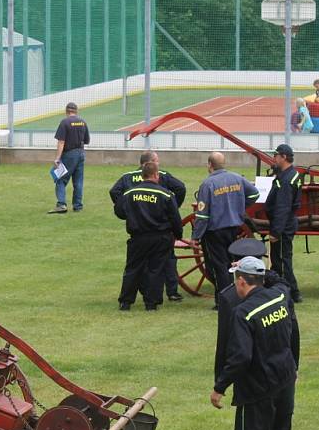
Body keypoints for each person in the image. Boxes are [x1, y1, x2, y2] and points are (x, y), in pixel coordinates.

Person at [210, 256, 319, 430]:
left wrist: (220, 387)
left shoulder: (243, 313)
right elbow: (282, 288)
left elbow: (240, 358)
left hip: (258, 388)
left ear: (240, 281)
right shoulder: (280, 296)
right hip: (285, 379)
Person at [109, 150, 186, 301]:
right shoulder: (162, 177)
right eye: (156, 160)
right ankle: (168, 293)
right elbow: (180, 188)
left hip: (138, 230)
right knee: (164, 262)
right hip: (160, 230)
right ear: (150, 165)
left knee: (133, 267)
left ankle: (127, 301)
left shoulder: (128, 178)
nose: (158, 163)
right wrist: (173, 209)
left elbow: (114, 192)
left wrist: (128, 211)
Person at [192, 152, 260, 309]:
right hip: (234, 229)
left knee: (217, 267)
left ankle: (223, 301)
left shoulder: (207, 184)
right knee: (230, 264)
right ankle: (234, 296)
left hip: (214, 232)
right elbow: (255, 193)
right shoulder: (237, 178)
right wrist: (240, 206)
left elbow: (202, 215)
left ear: (210, 164)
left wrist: (196, 237)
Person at [266, 144, 303, 303]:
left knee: (281, 260)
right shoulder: (290, 175)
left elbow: (282, 208)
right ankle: (279, 290)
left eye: (276, 156)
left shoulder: (287, 180)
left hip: (283, 226)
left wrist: (275, 232)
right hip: (286, 223)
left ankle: (292, 292)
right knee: (280, 259)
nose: (274, 158)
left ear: (284, 157)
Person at [48, 102, 90, 213]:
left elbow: (61, 142)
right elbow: (86, 141)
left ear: (66, 111)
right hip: (80, 153)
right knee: (78, 181)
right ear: (76, 111)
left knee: (60, 179)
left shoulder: (64, 122)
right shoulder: (83, 122)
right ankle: (78, 206)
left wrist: (57, 158)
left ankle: (61, 205)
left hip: (69, 154)